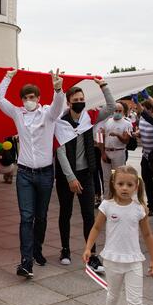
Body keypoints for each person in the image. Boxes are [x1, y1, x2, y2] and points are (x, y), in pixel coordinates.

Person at [0, 69, 65, 279]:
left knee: (41, 216)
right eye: (25, 98)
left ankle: (37, 249)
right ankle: (26, 261)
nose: (29, 101)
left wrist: (58, 89)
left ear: (38, 98)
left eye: (32, 97)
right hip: (25, 173)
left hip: (45, 173)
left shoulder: (48, 114)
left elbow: (58, 106)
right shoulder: (18, 113)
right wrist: (8, 77)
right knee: (26, 217)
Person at [82, 166, 153, 305]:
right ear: (113, 184)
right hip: (112, 260)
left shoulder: (139, 209)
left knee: (136, 303)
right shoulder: (107, 206)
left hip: (134, 261)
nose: (124, 188)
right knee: (113, 294)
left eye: (129, 185)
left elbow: (148, 234)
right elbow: (96, 227)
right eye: (121, 184)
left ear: (136, 186)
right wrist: (88, 247)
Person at [54, 78, 114, 270]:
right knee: (66, 213)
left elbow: (112, 106)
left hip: (87, 173)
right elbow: (60, 151)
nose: (80, 101)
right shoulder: (61, 123)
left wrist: (103, 86)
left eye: (82, 98)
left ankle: (92, 254)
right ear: (69, 102)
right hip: (67, 176)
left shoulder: (90, 117)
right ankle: (65, 249)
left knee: (89, 214)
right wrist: (70, 177)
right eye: (76, 99)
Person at [134, 92, 153, 216]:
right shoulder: (141, 119)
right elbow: (142, 129)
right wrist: (138, 133)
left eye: (145, 109)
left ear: (151, 110)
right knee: (147, 181)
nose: (142, 111)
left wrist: (139, 100)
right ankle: (151, 204)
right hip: (145, 156)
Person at [100, 103, 132, 196]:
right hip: (106, 151)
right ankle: (106, 199)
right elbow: (101, 138)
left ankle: (118, 198)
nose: (117, 113)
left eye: (119, 111)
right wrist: (102, 153)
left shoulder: (127, 123)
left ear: (123, 112)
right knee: (106, 178)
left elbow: (126, 140)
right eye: (115, 111)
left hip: (119, 152)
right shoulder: (106, 121)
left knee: (119, 177)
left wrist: (118, 135)